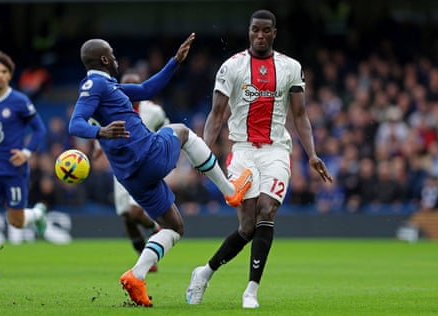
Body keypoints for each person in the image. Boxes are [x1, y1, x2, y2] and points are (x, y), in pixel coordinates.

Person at [68, 33, 253, 307]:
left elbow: (145, 90)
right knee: (181, 131)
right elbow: (75, 123)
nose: (117, 58)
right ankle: (230, 191)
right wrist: (101, 131)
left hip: (131, 175)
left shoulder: (107, 85)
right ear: (104, 59)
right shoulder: (95, 84)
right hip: (145, 154)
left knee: (174, 227)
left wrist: (173, 63)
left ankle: (137, 275)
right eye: (113, 54)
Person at [185, 10, 333, 309]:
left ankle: (251, 290)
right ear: (249, 32)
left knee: (268, 210)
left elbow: (301, 115)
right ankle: (205, 272)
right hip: (242, 150)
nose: (261, 35)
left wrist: (312, 153)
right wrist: (205, 153)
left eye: (266, 30)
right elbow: (216, 114)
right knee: (247, 228)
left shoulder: (290, 67)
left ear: (274, 33)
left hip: (277, 149)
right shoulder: (232, 67)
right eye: (255, 30)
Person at [0, 51, 48, 279]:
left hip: (14, 170)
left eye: (4, 72)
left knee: (15, 222)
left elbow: (39, 129)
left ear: (9, 75)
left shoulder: (19, 101)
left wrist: (26, 152)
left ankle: (37, 213)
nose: (0, 76)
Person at [93, 70, 165, 272]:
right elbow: (103, 131)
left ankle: (155, 228)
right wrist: (99, 148)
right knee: (126, 216)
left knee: (135, 211)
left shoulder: (154, 112)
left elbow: (165, 130)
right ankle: (145, 256)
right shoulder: (111, 110)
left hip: (145, 167)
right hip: (121, 168)